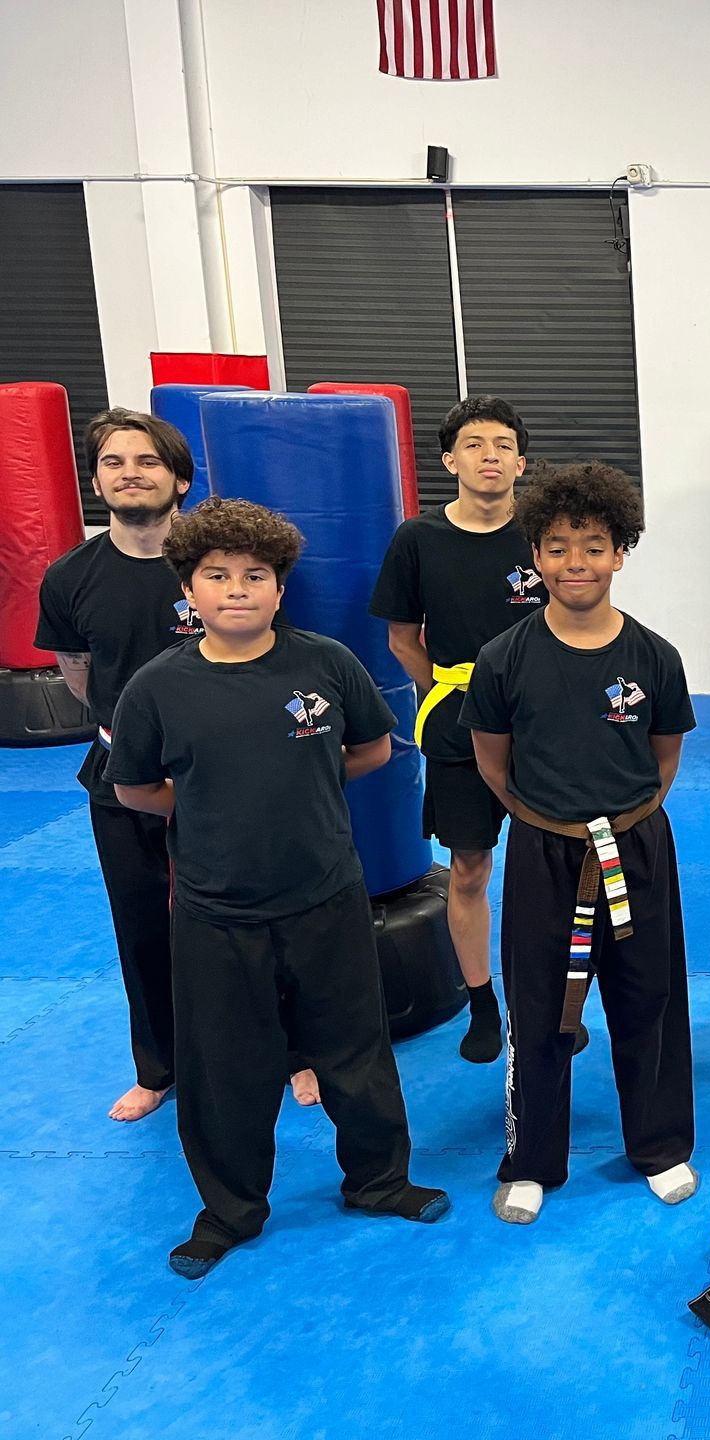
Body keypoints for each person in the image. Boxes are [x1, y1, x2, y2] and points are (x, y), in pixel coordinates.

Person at [106, 499, 448, 1277]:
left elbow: (369, 750)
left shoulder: (323, 663)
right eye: (216, 576)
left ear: (280, 588)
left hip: (326, 896)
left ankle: (379, 1180)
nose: (237, 589)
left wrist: (303, 785)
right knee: (223, 1068)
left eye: (255, 575)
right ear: (188, 591)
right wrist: (208, 807)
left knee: (356, 1053)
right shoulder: (158, 688)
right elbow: (135, 789)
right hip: (216, 911)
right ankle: (229, 1212)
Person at [36, 408, 322, 1120]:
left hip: (230, 777)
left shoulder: (218, 573)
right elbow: (79, 673)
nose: (130, 472)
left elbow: (266, 659)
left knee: (269, 915)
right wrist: (132, 735)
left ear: (181, 480)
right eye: (113, 461)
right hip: (122, 777)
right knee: (140, 924)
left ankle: (297, 1052)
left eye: (147, 461)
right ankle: (159, 1067)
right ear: (96, 479)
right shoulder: (71, 575)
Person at [463, 461, 697, 1224]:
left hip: (635, 847)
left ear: (620, 553)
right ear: (536, 555)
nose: (575, 564)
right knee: (537, 1007)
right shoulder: (505, 658)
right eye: (558, 547)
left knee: (649, 1000)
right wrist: (552, 823)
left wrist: (622, 822)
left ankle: (659, 1146)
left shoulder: (655, 655)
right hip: (544, 852)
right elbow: (493, 764)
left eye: (592, 546)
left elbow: (664, 760)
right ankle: (533, 1158)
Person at [372, 396, 586, 1065]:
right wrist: (452, 681)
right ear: (448, 459)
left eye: (502, 444)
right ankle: (483, 1001)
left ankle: (554, 1000)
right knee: (468, 866)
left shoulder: (547, 532)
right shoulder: (419, 539)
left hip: (545, 723)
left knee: (556, 869)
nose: (489, 455)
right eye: (473, 443)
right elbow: (402, 638)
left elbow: (581, 615)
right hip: (461, 721)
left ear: (521, 461)